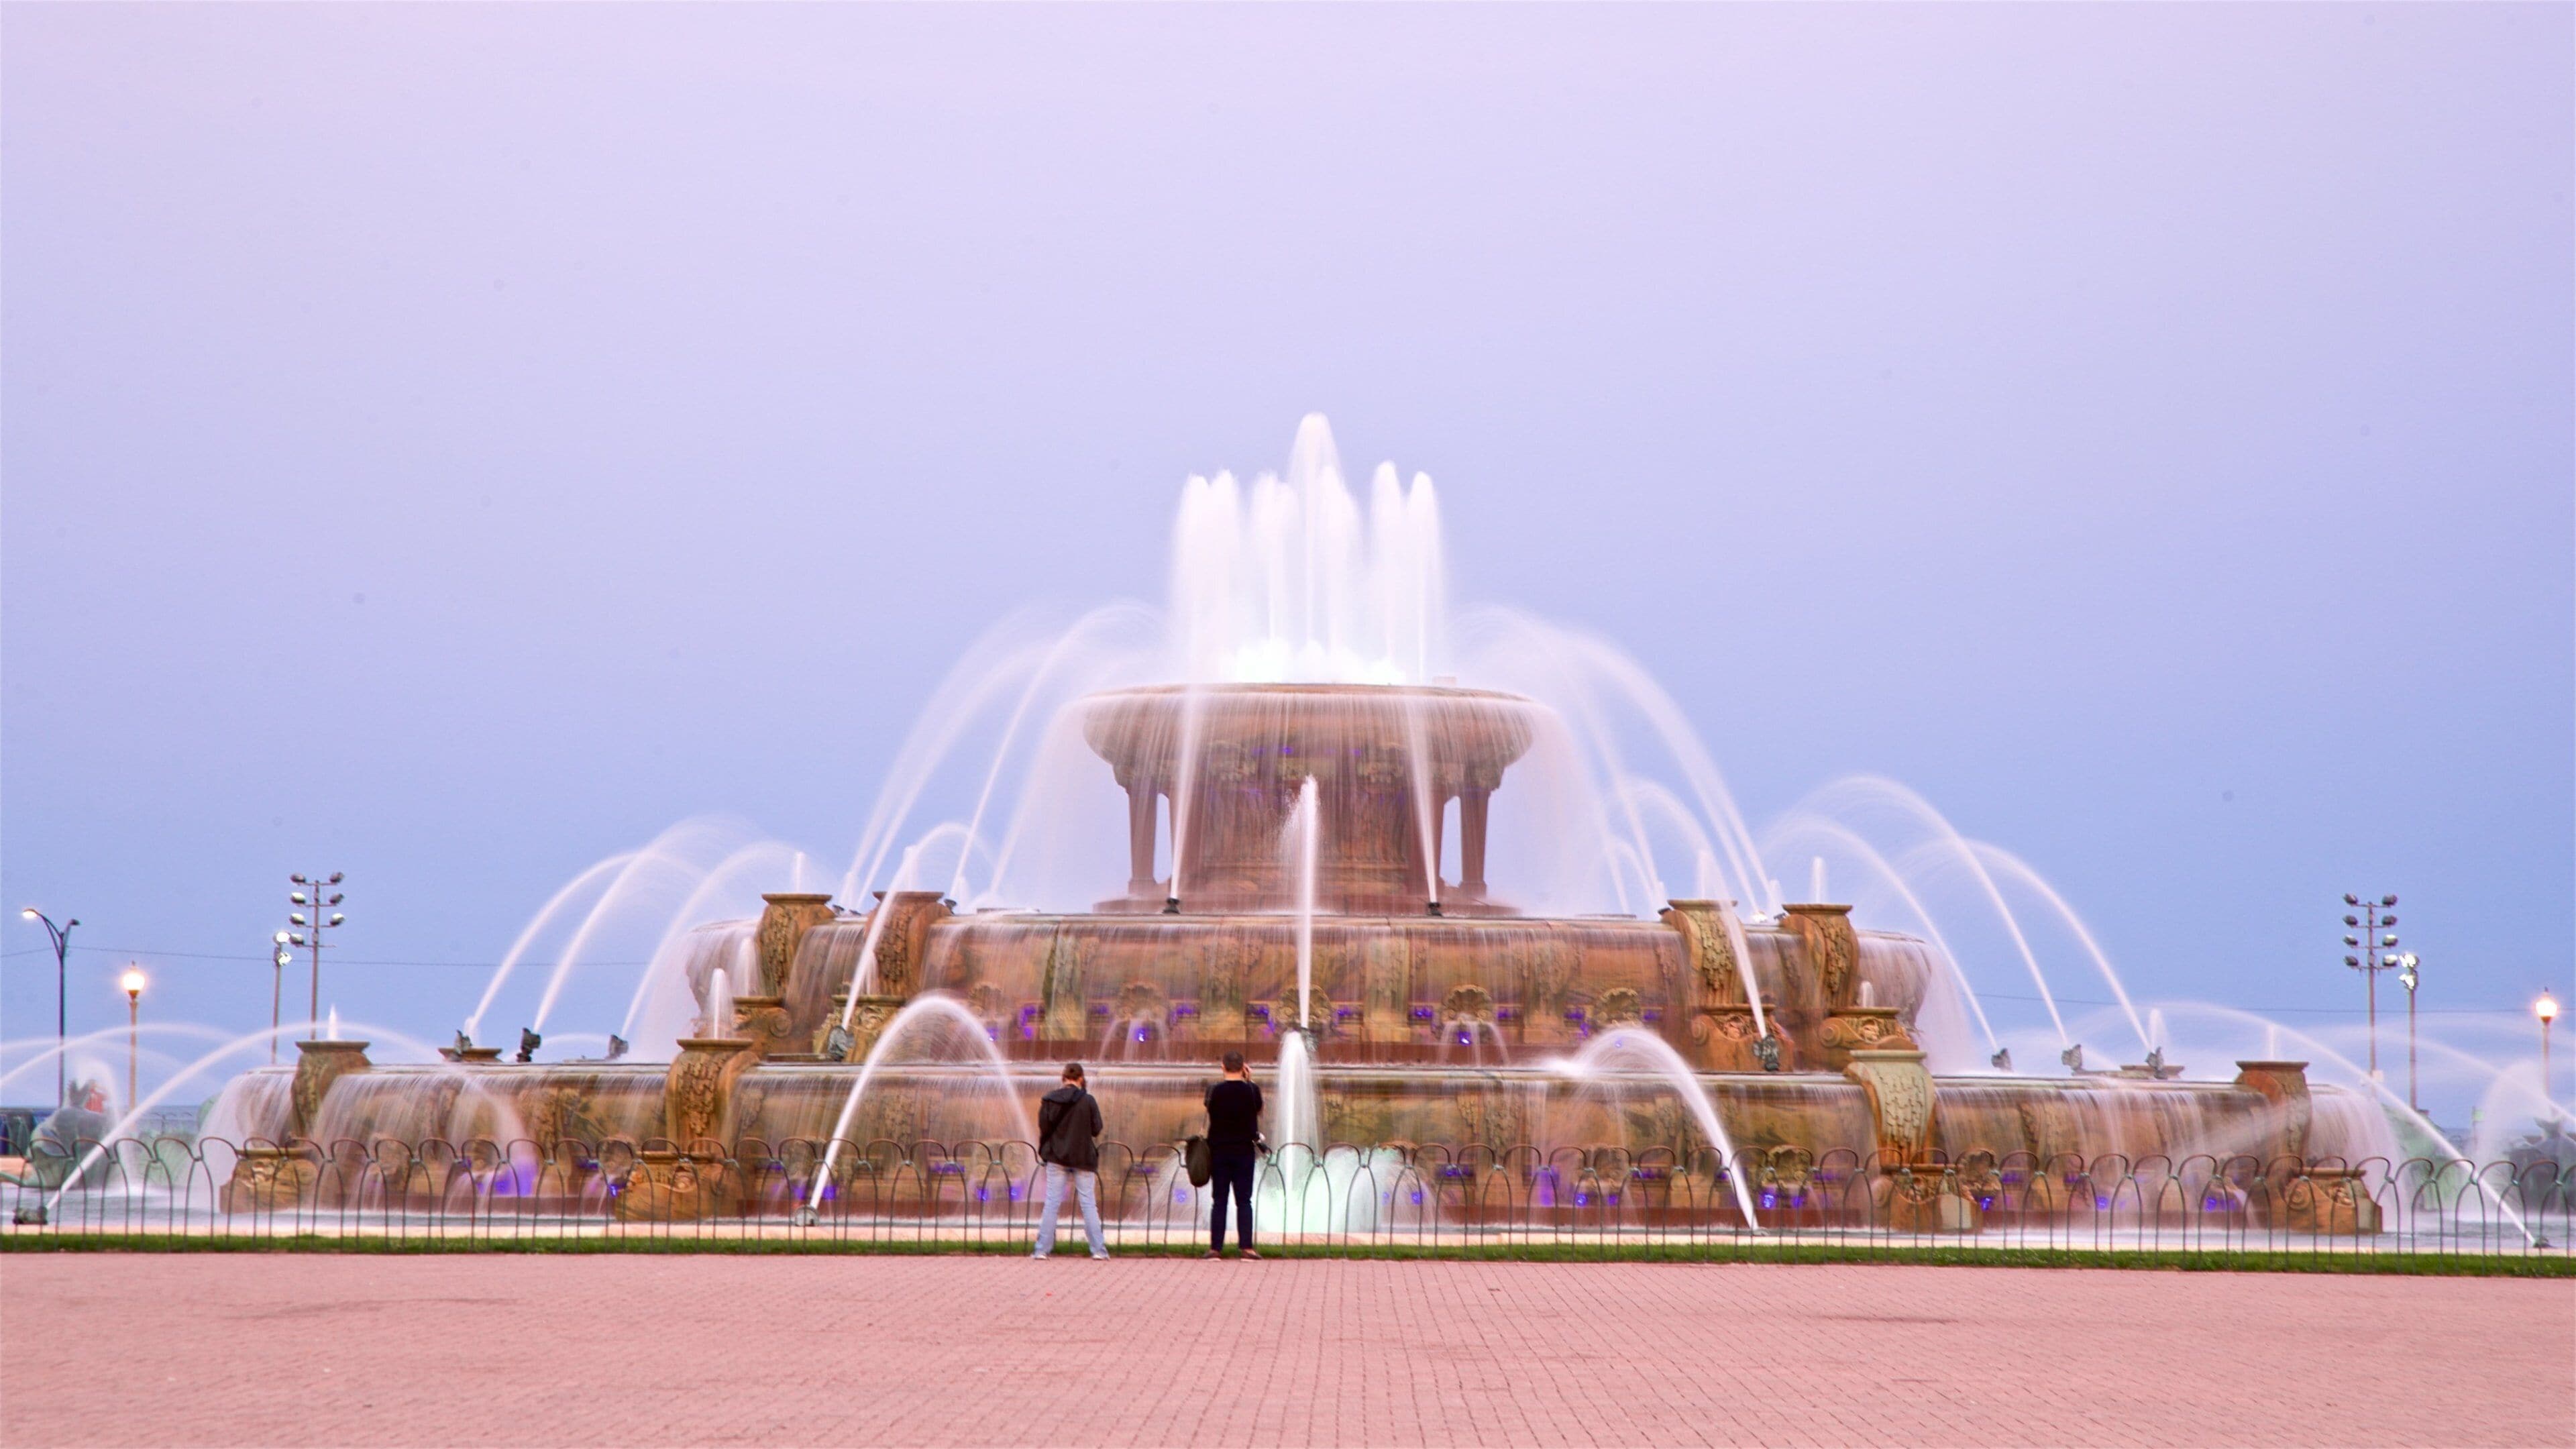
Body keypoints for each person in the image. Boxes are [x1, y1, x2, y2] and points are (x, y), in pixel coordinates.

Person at [1033, 1061, 1106, 1260]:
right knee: (1088, 1204)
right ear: (1081, 1079)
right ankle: (1098, 1250)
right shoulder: (1089, 1101)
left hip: (1057, 1157)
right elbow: (1096, 1129)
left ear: (1063, 1078)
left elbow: (1044, 1128)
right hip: (1083, 1158)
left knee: (1052, 1203)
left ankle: (1041, 1250)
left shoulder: (1049, 1100)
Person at [1203, 1050, 1264, 1259]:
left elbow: (1209, 1108)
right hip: (1244, 1152)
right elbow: (1258, 1109)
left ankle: (1215, 1249)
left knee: (1219, 1201)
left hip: (1219, 1152)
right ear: (1243, 1067)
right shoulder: (1252, 1090)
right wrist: (1249, 1080)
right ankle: (1246, 1247)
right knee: (1244, 1201)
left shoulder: (1213, 1091)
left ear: (1223, 1067)